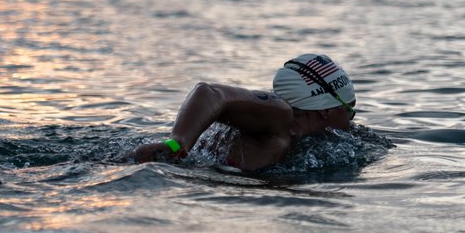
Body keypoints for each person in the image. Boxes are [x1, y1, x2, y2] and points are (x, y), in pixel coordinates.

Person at [129, 53, 357, 171]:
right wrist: (177, 144)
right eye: (351, 109)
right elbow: (209, 92)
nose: (352, 120)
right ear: (327, 109)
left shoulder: (286, 129)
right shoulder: (281, 118)